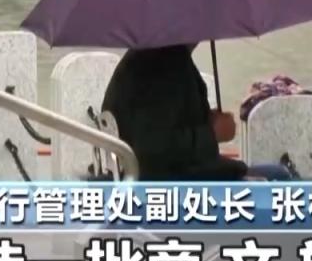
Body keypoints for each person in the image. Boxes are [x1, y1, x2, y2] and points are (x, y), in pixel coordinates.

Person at [100, 43, 294, 182]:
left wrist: (207, 120)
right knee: (283, 182)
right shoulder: (164, 65)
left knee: (277, 173)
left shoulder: (155, 54)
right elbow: (152, 147)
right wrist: (212, 133)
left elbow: (163, 121)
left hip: (157, 177)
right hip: (172, 188)